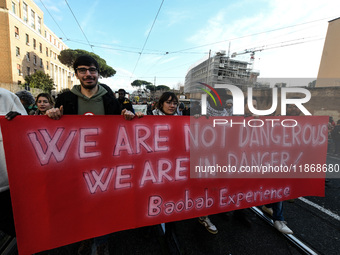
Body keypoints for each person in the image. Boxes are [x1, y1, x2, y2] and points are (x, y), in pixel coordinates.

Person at [46, 55, 142, 255]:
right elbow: (52, 131)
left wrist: (129, 119)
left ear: (98, 73)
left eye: (92, 70)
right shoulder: (65, 99)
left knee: (103, 204)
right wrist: (51, 116)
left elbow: (121, 131)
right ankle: (84, 237)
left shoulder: (110, 101)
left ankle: (101, 241)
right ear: (76, 74)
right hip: (74, 165)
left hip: (104, 164)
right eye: (82, 70)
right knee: (79, 204)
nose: (88, 74)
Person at [0, 88, 27, 239]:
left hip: (8, 184)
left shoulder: (6, 97)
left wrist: (20, 123)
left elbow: (28, 134)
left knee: (15, 227)